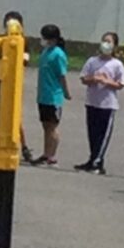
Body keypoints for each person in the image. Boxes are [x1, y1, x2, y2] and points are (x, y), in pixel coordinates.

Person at [75, 30, 124, 173]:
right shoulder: (93, 61)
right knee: (92, 133)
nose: (105, 44)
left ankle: (98, 161)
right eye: (104, 40)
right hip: (92, 102)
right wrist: (94, 79)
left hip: (107, 105)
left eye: (109, 41)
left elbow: (120, 84)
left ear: (115, 46)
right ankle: (92, 158)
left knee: (103, 134)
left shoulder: (117, 64)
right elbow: (84, 78)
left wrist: (107, 81)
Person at [31, 23, 70, 166]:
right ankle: (46, 153)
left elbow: (62, 75)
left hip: (54, 96)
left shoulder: (58, 54)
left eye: (46, 38)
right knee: (46, 126)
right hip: (43, 96)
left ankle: (52, 156)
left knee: (52, 126)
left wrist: (66, 92)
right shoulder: (45, 52)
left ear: (53, 39)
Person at [3, 10, 34, 163]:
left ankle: (24, 146)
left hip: (13, 83)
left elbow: (25, 61)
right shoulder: (0, 39)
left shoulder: (24, 42)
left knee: (15, 117)